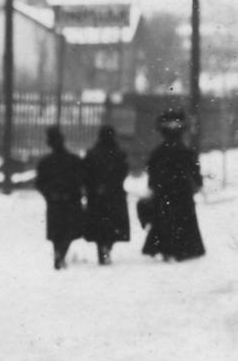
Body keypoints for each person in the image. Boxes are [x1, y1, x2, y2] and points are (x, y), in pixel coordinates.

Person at [141, 107, 206, 262]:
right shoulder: (185, 151)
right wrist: (197, 182)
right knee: (183, 219)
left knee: (164, 219)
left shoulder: (159, 152)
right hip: (182, 191)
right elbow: (193, 168)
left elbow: (152, 170)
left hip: (164, 191)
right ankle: (184, 248)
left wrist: (153, 186)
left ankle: (166, 248)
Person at [35, 126, 85, 270]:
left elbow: (40, 183)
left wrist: (49, 195)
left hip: (54, 201)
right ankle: (61, 255)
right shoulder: (74, 160)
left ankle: (59, 253)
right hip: (71, 200)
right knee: (69, 230)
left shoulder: (45, 163)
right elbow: (81, 179)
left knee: (57, 232)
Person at [81, 125, 131, 266]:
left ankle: (102, 248)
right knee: (113, 225)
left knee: (99, 226)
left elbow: (85, 174)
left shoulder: (92, 153)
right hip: (114, 194)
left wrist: (93, 187)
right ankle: (107, 247)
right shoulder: (119, 154)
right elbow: (123, 172)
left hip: (96, 195)